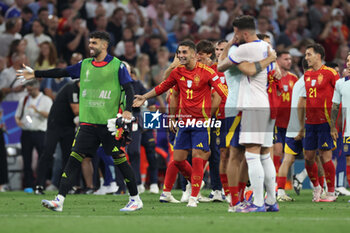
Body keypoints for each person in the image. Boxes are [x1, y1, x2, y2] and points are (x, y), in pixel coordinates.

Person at [18, 31, 142, 212]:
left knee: (119, 160)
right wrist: (35, 73)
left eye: (95, 43)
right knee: (73, 159)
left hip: (108, 124)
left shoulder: (117, 66)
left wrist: (128, 111)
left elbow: (129, 89)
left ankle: (135, 199)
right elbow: (62, 71)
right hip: (87, 124)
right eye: (90, 42)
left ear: (105, 45)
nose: (90, 45)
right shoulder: (84, 65)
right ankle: (59, 200)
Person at [133, 40, 227, 207]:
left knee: (199, 158)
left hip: (200, 123)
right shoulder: (177, 73)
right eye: (179, 53)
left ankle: (193, 197)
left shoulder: (207, 72)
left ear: (193, 54)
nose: (181, 56)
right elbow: (162, 87)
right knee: (178, 159)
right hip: (183, 122)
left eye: (184, 52)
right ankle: (195, 184)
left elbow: (222, 92)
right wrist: (144, 97)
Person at [217, 15, 279, 212]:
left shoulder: (244, 49)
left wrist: (230, 47)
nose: (234, 37)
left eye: (235, 33)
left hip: (251, 106)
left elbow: (222, 66)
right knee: (264, 156)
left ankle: (258, 203)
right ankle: (271, 201)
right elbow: (273, 69)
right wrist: (270, 59)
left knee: (250, 156)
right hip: (266, 105)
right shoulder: (266, 47)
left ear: (243, 33)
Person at [298, 43, 339, 202]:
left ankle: (331, 192)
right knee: (308, 157)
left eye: (309, 54)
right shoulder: (307, 75)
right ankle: (317, 187)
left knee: (325, 156)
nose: (306, 57)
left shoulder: (330, 73)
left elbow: (339, 97)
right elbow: (304, 99)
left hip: (326, 122)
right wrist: (301, 126)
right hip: (310, 122)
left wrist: (334, 124)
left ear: (318, 55)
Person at [34, 80, 80, 195]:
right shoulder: (72, 88)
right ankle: (39, 185)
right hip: (55, 125)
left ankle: (68, 186)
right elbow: (76, 110)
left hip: (68, 125)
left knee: (68, 156)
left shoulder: (81, 90)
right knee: (47, 153)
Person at [15, 80, 53, 193]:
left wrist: (37, 111)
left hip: (40, 132)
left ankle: (41, 183)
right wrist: (19, 122)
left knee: (43, 158)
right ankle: (29, 184)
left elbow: (50, 115)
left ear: (36, 87)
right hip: (26, 132)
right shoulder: (24, 99)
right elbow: (17, 115)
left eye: (30, 88)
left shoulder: (46, 100)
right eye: (27, 89)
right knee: (26, 159)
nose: (28, 91)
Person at [273, 51, 298, 194]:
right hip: (276, 122)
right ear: (278, 60)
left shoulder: (294, 79)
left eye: (290, 59)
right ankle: (276, 186)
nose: (289, 61)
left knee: (290, 157)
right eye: (286, 59)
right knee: (277, 152)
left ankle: (280, 182)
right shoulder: (273, 77)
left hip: (290, 123)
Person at [330, 52, 350, 196]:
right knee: (348, 159)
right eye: (347, 60)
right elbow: (335, 106)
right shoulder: (340, 83)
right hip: (348, 130)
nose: (348, 63)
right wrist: (332, 127)